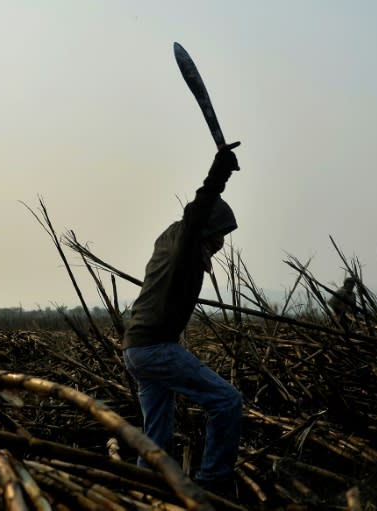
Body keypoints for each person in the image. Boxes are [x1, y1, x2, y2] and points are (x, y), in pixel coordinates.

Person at [122, 146, 243, 493]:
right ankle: (214, 481)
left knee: (156, 431)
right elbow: (199, 209)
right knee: (227, 401)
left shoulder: (171, 242)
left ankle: (148, 485)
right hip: (155, 348)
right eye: (219, 233)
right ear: (204, 230)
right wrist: (219, 172)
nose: (221, 242)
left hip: (136, 350)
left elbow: (196, 219)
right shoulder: (185, 242)